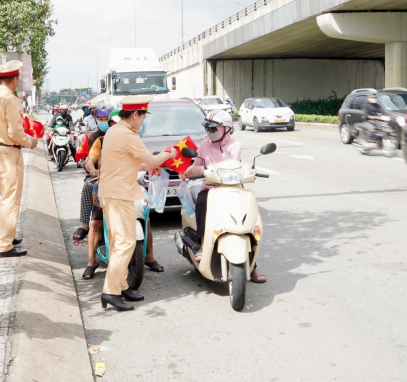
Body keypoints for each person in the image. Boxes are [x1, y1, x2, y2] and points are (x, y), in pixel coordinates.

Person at [97, 96, 176, 311]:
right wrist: (170, 153)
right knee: (125, 243)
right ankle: (110, 292)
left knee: (118, 243)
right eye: (142, 117)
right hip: (119, 194)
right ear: (134, 115)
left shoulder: (115, 131)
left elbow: (125, 161)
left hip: (111, 191)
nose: (143, 122)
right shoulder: (128, 134)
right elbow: (152, 159)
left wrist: (145, 167)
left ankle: (121, 286)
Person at [183, 110, 266, 283]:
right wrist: (189, 171)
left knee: (246, 221)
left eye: (213, 128)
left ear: (226, 129)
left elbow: (232, 166)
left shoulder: (235, 145)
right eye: (207, 128)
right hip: (211, 188)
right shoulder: (204, 146)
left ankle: (253, 266)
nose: (209, 132)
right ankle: (203, 244)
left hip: (233, 189)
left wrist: (206, 169)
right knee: (202, 200)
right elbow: (197, 165)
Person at [0, 60, 39, 258]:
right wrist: (30, 141)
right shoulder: (10, 99)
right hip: (8, 151)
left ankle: (8, 234)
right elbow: (14, 131)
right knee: (11, 199)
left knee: (5, 196)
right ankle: (4, 245)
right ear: (14, 80)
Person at [74, 105, 113, 243]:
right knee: (88, 187)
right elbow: (90, 160)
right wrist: (92, 170)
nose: (104, 122)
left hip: (121, 175)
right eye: (100, 119)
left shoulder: (124, 136)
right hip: (99, 175)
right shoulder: (95, 139)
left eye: (106, 119)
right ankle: (85, 225)